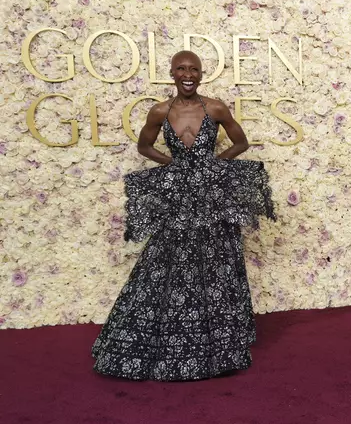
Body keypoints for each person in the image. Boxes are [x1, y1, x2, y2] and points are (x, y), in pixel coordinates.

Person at [92, 51, 276, 380]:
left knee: (218, 260)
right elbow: (144, 146)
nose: (187, 74)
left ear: (202, 74)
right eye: (181, 69)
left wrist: (212, 165)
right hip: (179, 197)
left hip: (209, 198)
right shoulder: (160, 111)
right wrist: (173, 167)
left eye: (194, 69)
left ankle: (221, 338)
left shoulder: (215, 107)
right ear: (172, 74)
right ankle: (168, 334)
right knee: (168, 260)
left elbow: (242, 142)